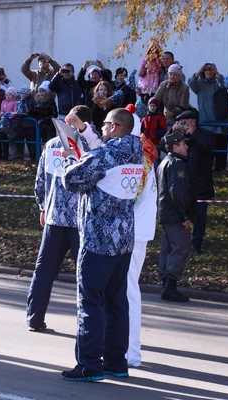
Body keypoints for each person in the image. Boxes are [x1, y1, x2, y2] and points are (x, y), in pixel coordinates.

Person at [61, 108, 143, 381]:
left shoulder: (105, 155)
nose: (103, 129)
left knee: (90, 303)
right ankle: (116, 362)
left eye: (106, 125)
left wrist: (70, 161)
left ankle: (89, 366)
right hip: (124, 240)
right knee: (117, 303)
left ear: (116, 127)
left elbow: (71, 180)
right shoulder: (137, 153)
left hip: (98, 240)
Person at [27, 105, 101, 331]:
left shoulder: (50, 145)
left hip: (54, 218)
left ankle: (34, 318)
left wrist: (43, 207)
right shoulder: (89, 147)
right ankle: (87, 325)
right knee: (86, 274)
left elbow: (40, 181)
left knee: (44, 271)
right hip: (80, 221)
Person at [125, 109, 158, 367]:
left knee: (127, 290)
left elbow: (128, 195)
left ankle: (131, 352)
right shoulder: (141, 152)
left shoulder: (141, 158)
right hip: (134, 230)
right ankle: (125, 349)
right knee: (125, 290)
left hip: (132, 232)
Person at [156, 131, 196, 302]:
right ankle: (170, 286)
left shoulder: (163, 162)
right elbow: (177, 192)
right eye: (183, 144)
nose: (186, 146)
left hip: (165, 213)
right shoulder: (177, 164)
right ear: (175, 146)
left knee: (168, 248)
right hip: (174, 214)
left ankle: (166, 282)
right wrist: (185, 215)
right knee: (180, 247)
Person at [172, 109, 214, 254]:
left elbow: (207, 148)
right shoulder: (178, 136)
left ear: (193, 122)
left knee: (200, 216)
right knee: (182, 213)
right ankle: (181, 243)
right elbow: (165, 147)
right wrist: (172, 132)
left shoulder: (206, 135)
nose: (182, 126)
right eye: (180, 123)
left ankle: (196, 245)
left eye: (184, 123)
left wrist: (193, 134)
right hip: (183, 182)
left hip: (201, 183)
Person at [188, 62, 228, 171]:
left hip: (220, 121)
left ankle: (221, 169)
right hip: (206, 122)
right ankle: (207, 168)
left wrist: (217, 73)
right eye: (206, 70)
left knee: (221, 148)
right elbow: (191, 83)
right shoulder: (200, 84)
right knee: (207, 149)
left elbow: (225, 85)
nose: (208, 71)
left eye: (211, 69)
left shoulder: (218, 82)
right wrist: (198, 73)